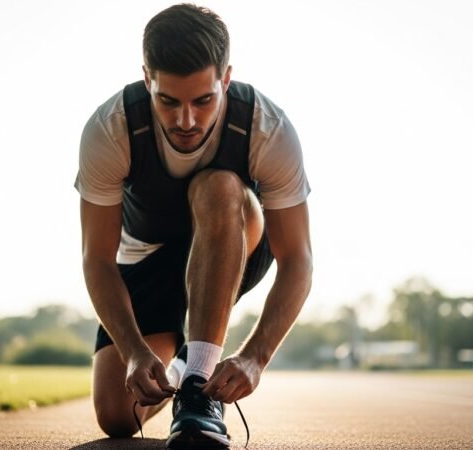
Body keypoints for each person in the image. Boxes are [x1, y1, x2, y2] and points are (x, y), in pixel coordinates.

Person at [75, 3, 312, 448]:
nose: (186, 120)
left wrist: (256, 358)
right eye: (168, 101)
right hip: (149, 259)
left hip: (239, 236)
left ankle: (199, 397)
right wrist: (132, 353)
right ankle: (188, 365)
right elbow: (97, 258)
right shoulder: (110, 130)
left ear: (225, 79)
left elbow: (298, 259)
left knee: (219, 185)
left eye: (203, 100)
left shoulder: (266, 128)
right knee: (117, 415)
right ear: (148, 79)